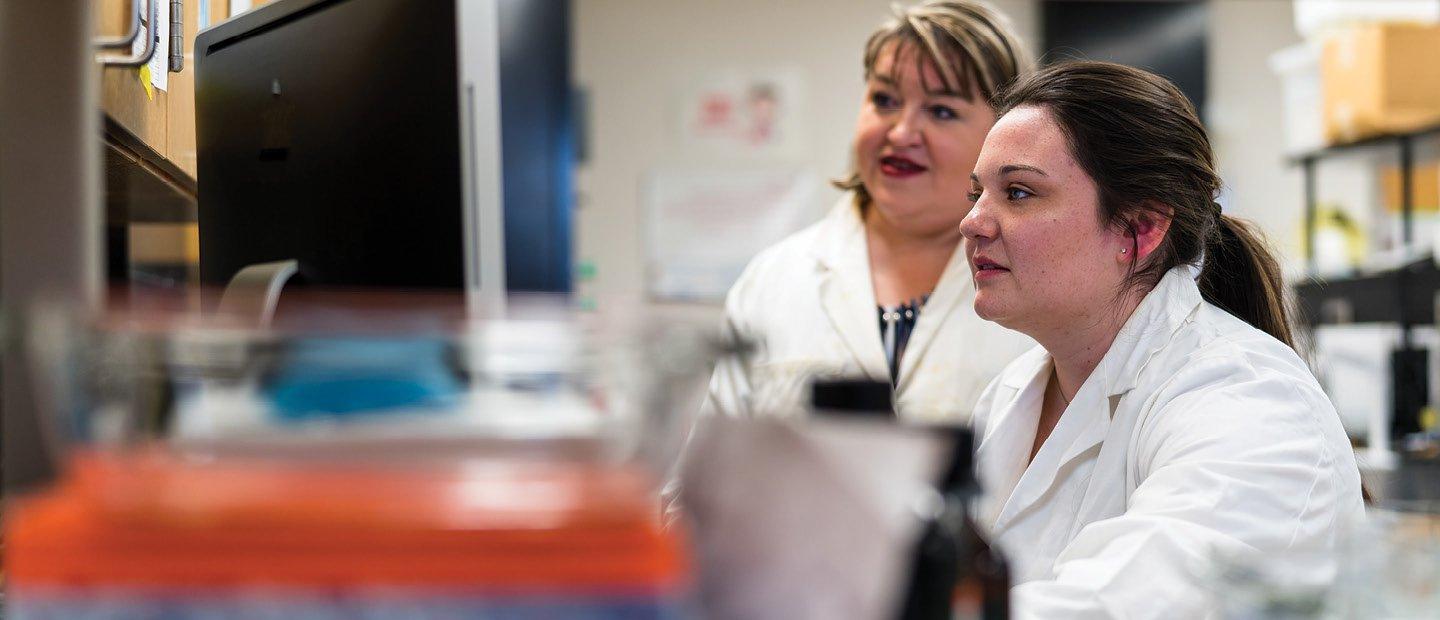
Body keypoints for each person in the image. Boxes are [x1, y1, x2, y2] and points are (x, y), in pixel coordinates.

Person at [961, 60, 1366, 617]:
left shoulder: (1251, 399)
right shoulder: (1013, 391)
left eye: (1020, 192)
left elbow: (1132, 605)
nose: (974, 221)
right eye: (977, 192)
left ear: (1143, 227)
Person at [705, 0, 1036, 422]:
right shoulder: (773, 280)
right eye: (884, 99)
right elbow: (704, 475)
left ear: (1002, 135)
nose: (900, 132)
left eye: (941, 110)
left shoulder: (1039, 283)